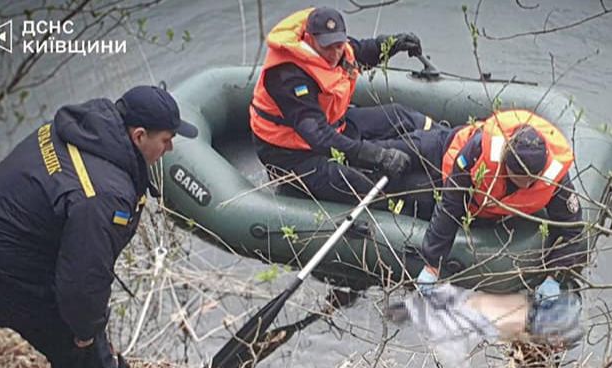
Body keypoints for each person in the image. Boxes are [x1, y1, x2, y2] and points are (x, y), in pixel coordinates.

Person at [0, 85, 197, 368]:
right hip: (3, 269)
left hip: (1, 234)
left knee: (87, 325)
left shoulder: (92, 129)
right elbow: (82, 280)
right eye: (166, 140)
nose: (170, 148)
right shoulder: (103, 194)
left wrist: (90, 325)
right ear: (139, 135)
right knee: (73, 344)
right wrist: (83, 331)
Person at [391, 109, 584, 339]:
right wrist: (432, 263)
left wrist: (554, 276)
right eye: (519, 178)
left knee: (408, 189)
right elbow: (451, 204)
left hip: (474, 206)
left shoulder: (554, 177)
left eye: (530, 180)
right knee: (389, 158)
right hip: (445, 155)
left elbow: (571, 229)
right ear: (505, 162)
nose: (525, 184)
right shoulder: (478, 151)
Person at [250, 6, 435, 213]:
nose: (335, 53)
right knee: (358, 184)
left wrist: (393, 44)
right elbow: (317, 135)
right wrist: (375, 155)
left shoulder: (338, 48)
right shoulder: (287, 76)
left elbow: (362, 50)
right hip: (290, 153)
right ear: (310, 39)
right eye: (328, 47)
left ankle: (442, 144)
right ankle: (408, 208)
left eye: (339, 45)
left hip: (336, 124)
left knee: (400, 115)